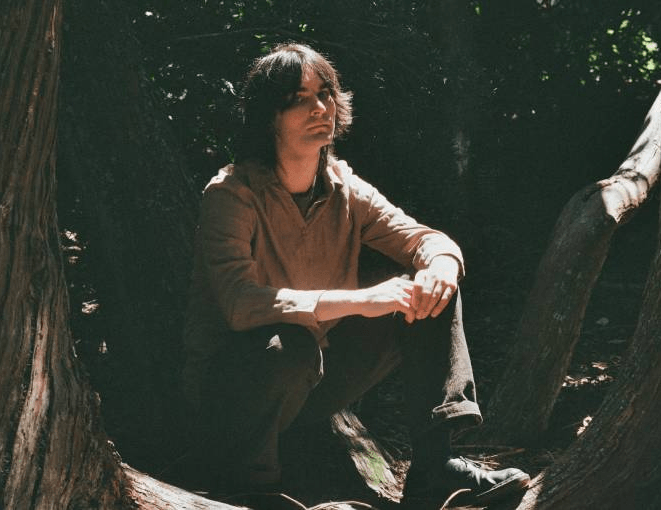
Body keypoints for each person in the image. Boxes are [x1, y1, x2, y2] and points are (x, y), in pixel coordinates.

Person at [181, 43, 530, 505]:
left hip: (313, 382)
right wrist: (363, 300)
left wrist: (441, 266)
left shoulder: (345, 186)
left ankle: (435, 468)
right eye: (300, 97)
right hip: (235, 394)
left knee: (427, 292)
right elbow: (241, 303)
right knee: (288, 344)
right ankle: (248, 487)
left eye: (325, 93)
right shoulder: (232, 193)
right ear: (269, 114)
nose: (320, 107)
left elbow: (424, 239)